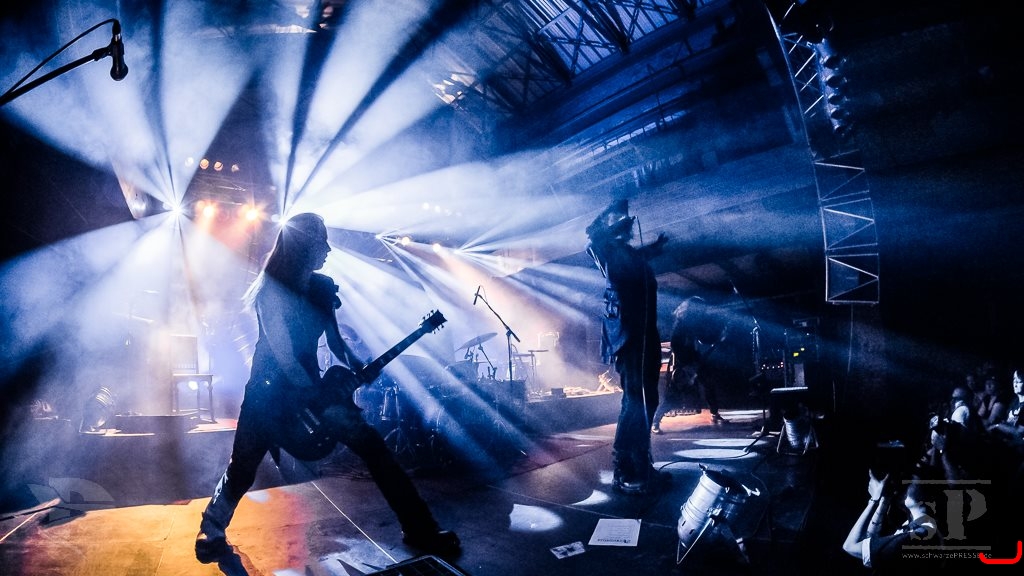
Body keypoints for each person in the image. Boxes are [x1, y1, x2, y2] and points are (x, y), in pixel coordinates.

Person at [195, 213, 459, 562]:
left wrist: (357, 365)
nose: (329, 249)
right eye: (322, 241)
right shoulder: (271, 290)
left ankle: (420, 527)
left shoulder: (322, 289)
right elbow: (284, 354)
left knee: (373, 447)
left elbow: (335, 342)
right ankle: (212, 528)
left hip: (310, 387)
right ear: (303, 246)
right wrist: (316, 394)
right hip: (267, 395)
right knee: (243, 466)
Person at [585, 199, 670, 495]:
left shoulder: (630, 255)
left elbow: (639, 257)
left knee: (648, 401)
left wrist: (656, 247)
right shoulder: (606, 251)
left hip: (646, 336)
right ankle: (622, 470)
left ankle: (641, 465)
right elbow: (593, 235)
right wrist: (611, 211)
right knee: (635, 402)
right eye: (623, 226)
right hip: (629, 339)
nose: (629, 228)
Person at [652, 296, 728, 433]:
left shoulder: (694, 323)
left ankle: (714, 414)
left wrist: (718, 337)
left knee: (709, 384)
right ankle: (655, 420)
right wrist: (685, 363)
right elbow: (675, 344)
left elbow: (703, 338)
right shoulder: (680, 325)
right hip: (684, 362)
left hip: (695, 359)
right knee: (674, 393)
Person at [842, 470, 943, 573]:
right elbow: (869, 540)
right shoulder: (919, 527)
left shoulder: (915, 537)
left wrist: (874, 500)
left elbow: (850, 546)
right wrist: (883, 501)